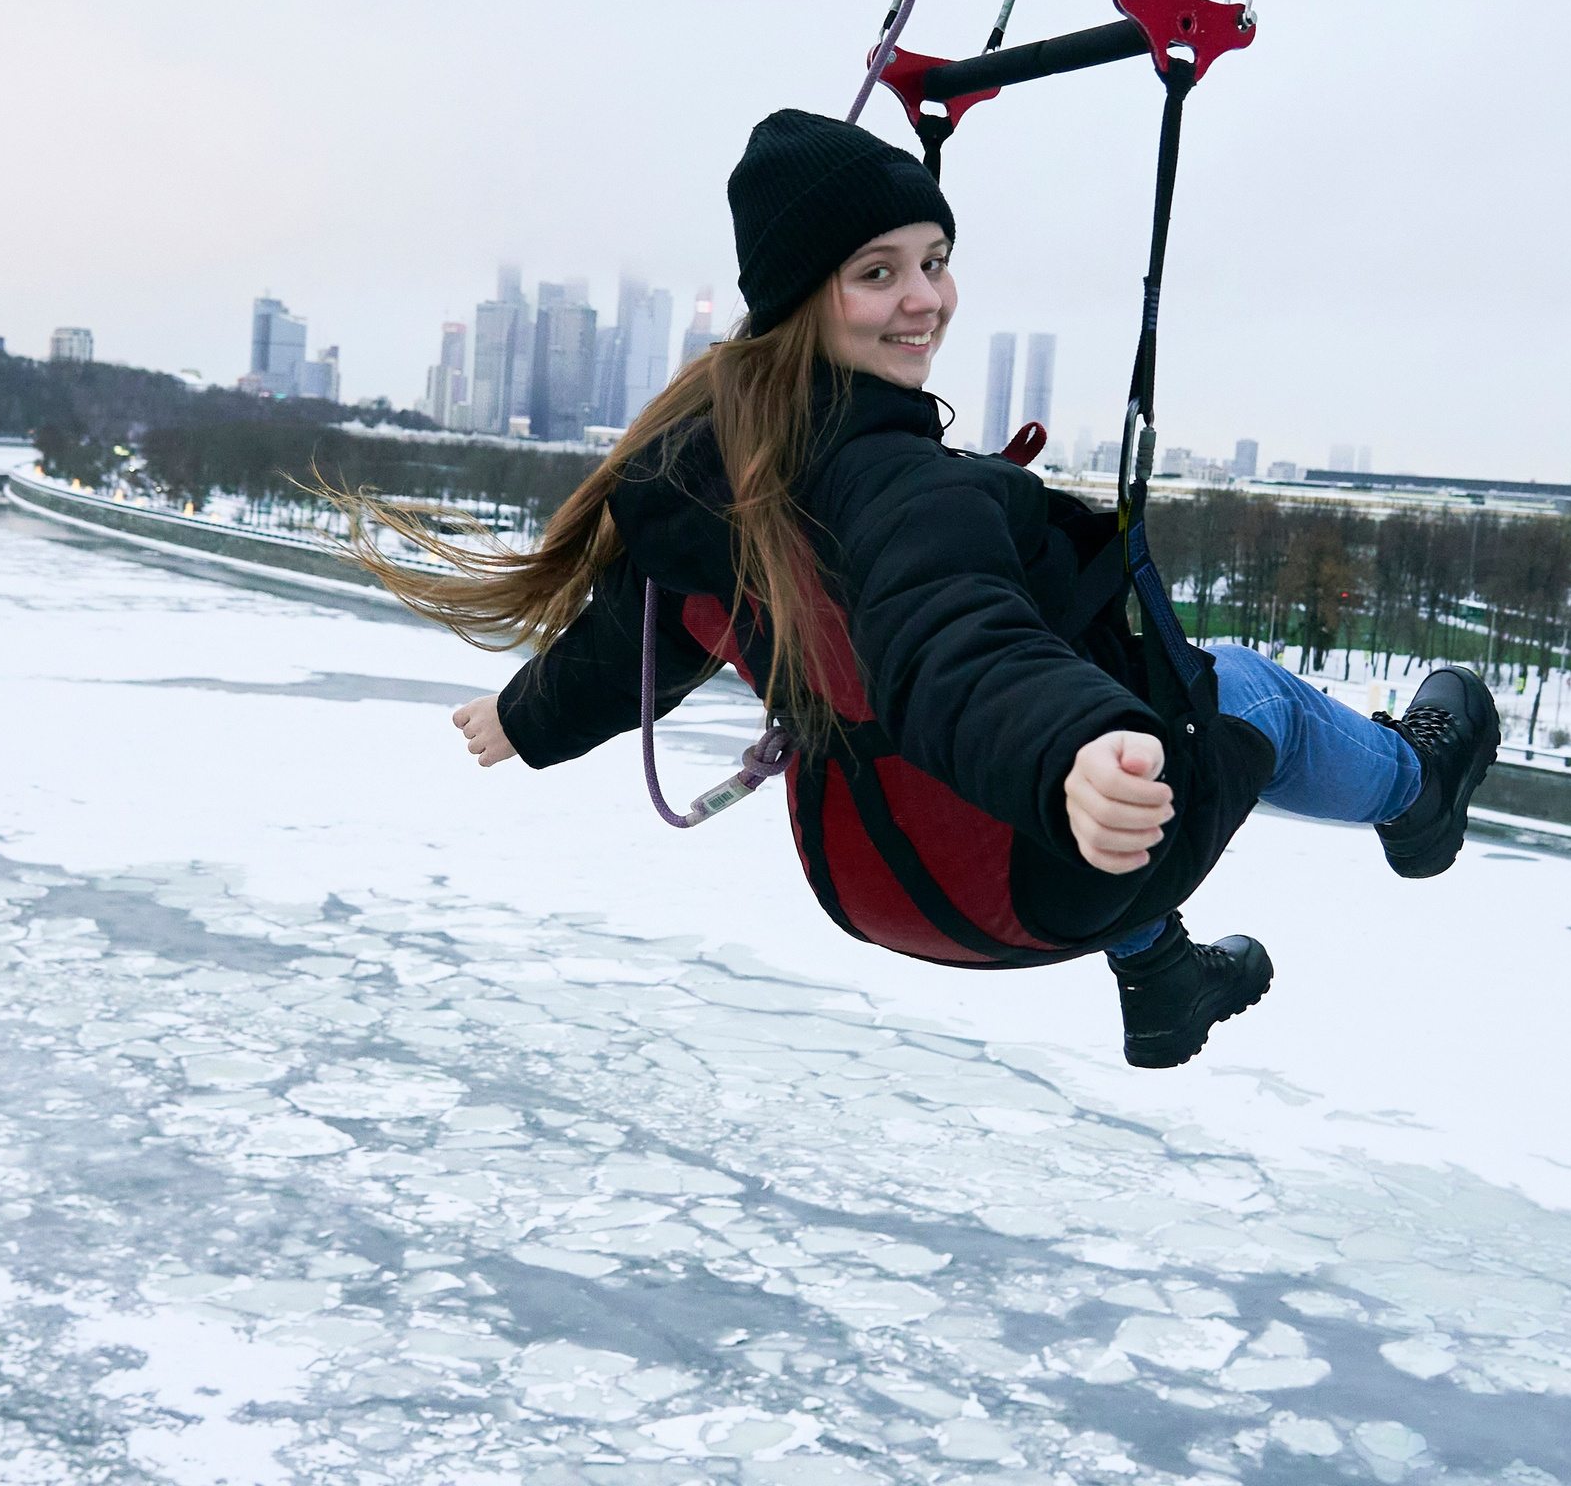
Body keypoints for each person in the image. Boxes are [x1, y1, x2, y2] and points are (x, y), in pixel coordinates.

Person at [350, 111, 1499, 1069]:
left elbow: (640, 638)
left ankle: (1159, 979)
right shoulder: (898, 489)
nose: (927, 301)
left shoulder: (714, 476)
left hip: (867, 871)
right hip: (1034, 871)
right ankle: (1418, 789)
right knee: (1239, 692)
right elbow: (952, 643)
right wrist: (1071, 749)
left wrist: (526, 715)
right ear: (801, 298)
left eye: (934, 261)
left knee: (1113, 684)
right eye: (876, 273)